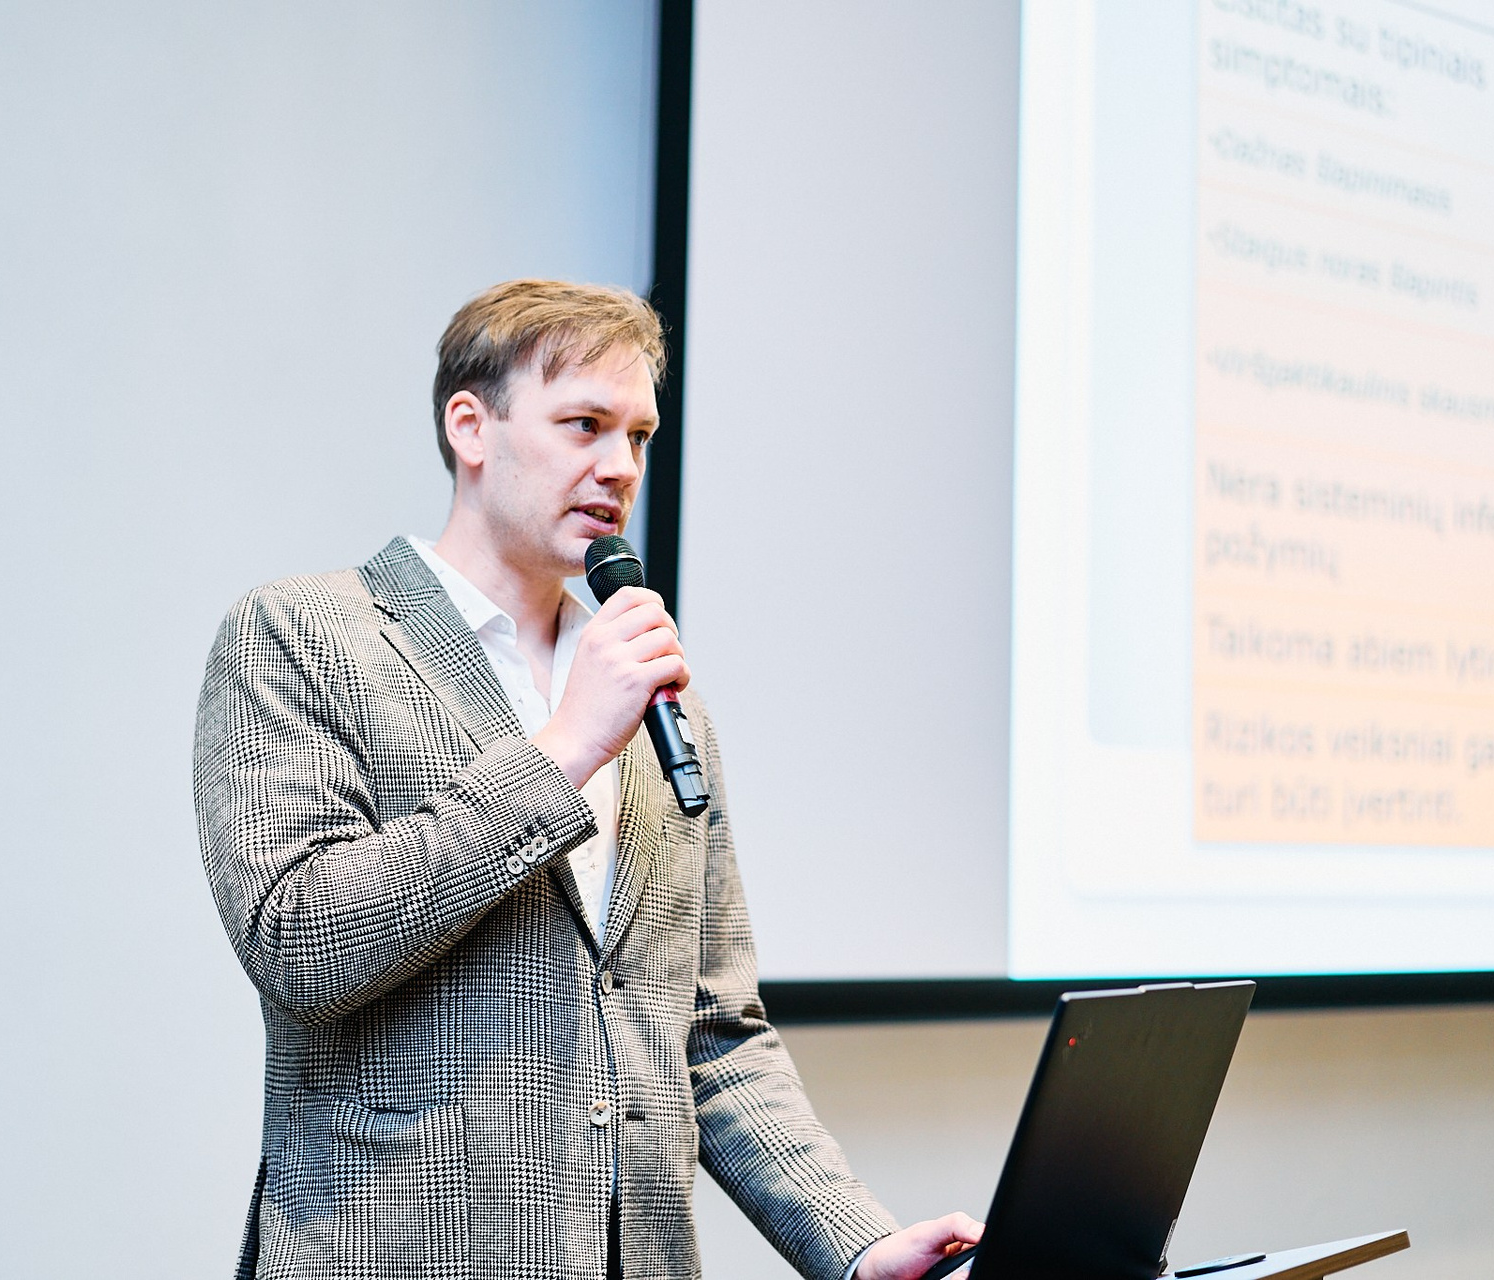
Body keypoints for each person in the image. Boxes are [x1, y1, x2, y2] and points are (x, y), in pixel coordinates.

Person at [194, 279, 982, 1280]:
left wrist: (856, 1240)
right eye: (585, 425)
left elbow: (711, 1031)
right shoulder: (302, 635)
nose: (621, 466)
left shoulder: (659, 698)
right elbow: (302, 943)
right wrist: (565, 746)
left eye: (639, 435)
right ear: (472, 428)